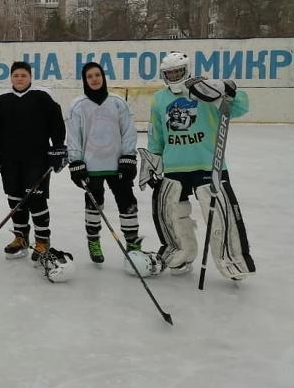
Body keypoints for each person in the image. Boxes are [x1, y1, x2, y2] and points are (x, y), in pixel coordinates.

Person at [144, 51, 255, 279]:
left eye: (177, 71)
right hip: (174, 167)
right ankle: (181, 254)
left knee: (220, 215)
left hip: (208, 165)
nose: (174, 76)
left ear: (187, 70)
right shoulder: (159, 99)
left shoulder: (206, 93)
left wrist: (227, 89)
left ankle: (233, 261)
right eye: (169, 73)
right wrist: (153, 161)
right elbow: (156, 133)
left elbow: (240, 108)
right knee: (171, 214)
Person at [0, 61, 67, 264]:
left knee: (36, 199)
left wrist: (58, 147)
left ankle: (42, 240)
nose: (19, 78)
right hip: (10, 159)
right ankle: (20, 237)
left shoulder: (42, 97)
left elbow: (57, 123)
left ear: (30, 77)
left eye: (23, 75)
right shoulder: (2, 100)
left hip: (37, 158)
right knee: (15, 199)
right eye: (16, 75)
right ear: (11, 78)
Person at [66, 62, 141, 264]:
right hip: (91, 166)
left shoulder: (118, 102)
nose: (94, 79)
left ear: (103, 76)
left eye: (97, 75)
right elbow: (73, 136)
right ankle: (93, 239)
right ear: (85, 80)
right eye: (89, 76)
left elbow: (128, 131)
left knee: (127, 202)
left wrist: (129, 157)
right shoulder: (77, 105)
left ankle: (133, 242)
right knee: (94, 203)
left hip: (117, 163)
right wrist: (76, 162)